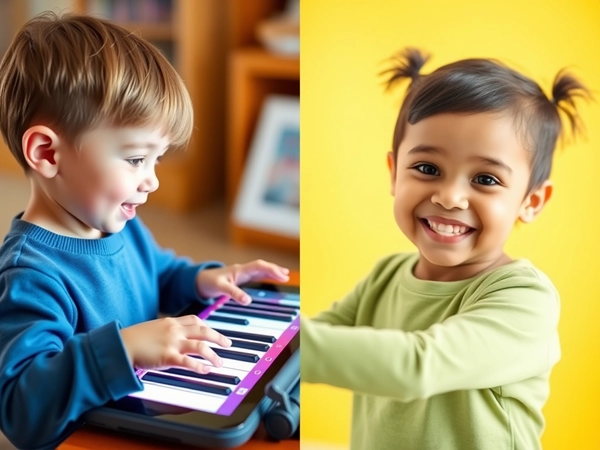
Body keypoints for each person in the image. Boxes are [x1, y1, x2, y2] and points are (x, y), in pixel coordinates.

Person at [0, 12, 290, 449]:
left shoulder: (117, 223)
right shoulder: (29, 277)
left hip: (145, 409)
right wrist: (124, 348)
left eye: (157, 160)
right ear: (47, 153)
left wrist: (202, 279)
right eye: (136, 159)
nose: (152, 180)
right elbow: (22, 409)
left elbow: (157, 272)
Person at [300, 48, 591, 450]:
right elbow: (314, 336)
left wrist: (285, 343)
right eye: (428, 169)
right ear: (393, 172)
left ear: (532, 201)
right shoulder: (386, 276)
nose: (451, 197)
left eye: (486, 179)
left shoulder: (525, 300)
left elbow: (417, 365)